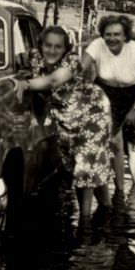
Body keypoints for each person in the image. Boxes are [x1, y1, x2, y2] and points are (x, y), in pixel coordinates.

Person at [14, 26, 112, 221]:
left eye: (57, 47)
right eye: (47, 45)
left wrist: (26, 84)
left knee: (84, 168)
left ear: (65, 49)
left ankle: (84, 226)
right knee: (86, 168)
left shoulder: (72, 61)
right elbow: (11, 60)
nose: (51, 50)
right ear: (40, 45)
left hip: (92, 113)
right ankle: (109, 211)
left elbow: (53, 81)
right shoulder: (33, 58)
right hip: (66, 119)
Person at [83, 14, 135, 195]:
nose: (112, 39)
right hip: (108, 92)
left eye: (117, 34)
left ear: (125, 36)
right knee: (112, 139)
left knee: (133, 140)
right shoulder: (97, 45)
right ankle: (119, 190)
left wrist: (134, 109)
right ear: (102, 35)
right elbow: (81, 67)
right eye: (108, 34)